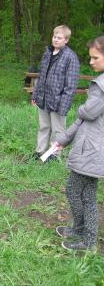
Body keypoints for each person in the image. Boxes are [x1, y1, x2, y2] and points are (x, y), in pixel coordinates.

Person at [54, 35, 104, 251]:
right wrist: (64, 140)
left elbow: (87, 112)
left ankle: (88, 239)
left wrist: (83, 107)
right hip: (90, 147)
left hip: (92, 150)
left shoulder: (101, 87)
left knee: (76, 191)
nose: (91, 62)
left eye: (95, 58)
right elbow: (82, 119)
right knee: (86, 193)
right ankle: (81, 231)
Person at [31, 25, 80, 162]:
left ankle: (54, 156)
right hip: (44, 98)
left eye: (59, 38)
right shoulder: (47, 53)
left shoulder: (71, 57)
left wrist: (63, 106)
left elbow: (71, 86)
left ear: (66, 40)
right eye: (54, 37)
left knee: (58, 131)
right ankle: (39, 152)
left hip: (58, 101)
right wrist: (35, 95)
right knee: (43, 127)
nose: (56, 40)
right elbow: (42, 77)